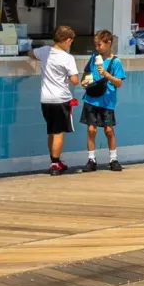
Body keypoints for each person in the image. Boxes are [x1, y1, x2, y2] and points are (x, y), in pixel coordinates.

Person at [33, 25, 82, 175]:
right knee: (59, 132)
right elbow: (74, 80)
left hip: (45, 99)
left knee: (51, 131)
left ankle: (54, 160)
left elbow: (30, 53)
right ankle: (55, 164)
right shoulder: (68, 58)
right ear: (67, 40)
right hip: (61, 99)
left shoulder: (44, 51)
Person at [79, 30, 127, 171]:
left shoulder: (115, 62)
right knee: (91, 129)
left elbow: (119, 83)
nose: (97, 48)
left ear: (108, 43)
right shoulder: (94, 57)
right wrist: (85, 81)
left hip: (107, 100)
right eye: (95, 45)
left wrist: (106, 74)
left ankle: (113, 159)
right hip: (91, 99)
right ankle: (91, 159)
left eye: (99, 45)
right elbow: (87, 73)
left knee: (108, 130)